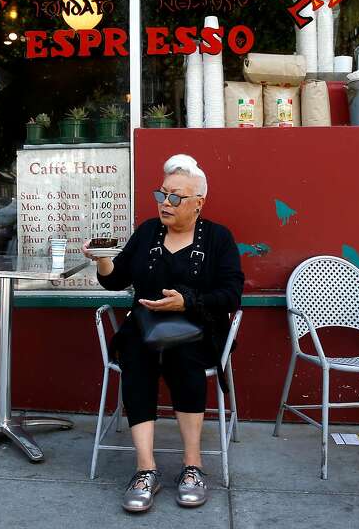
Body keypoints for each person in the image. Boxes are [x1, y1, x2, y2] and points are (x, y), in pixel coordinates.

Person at [82, 154, 244, 513]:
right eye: (162, 195)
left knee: (183, 356)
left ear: (198, 203)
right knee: (137, 357)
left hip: (198, 329)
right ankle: (145, 469)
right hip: (143, 327)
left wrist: (185, 301)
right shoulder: (146, 232)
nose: (165, 204)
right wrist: (103, 259)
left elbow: (231, 294)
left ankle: (192, 465)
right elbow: (116, 279)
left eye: (176, 197)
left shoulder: (218, 238)